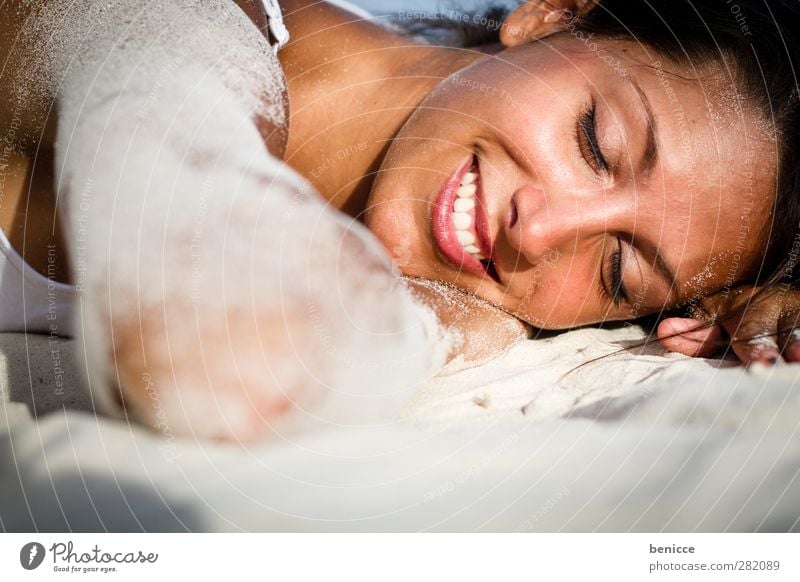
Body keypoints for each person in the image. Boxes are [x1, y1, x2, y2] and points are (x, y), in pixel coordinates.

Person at [1, 0, 798, 440]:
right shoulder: (183, 27)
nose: (540, 231)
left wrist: (741, 308)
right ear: (553, 14)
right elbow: (206, 319)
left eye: (618, 270)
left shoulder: (501, 308)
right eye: (596, 140)